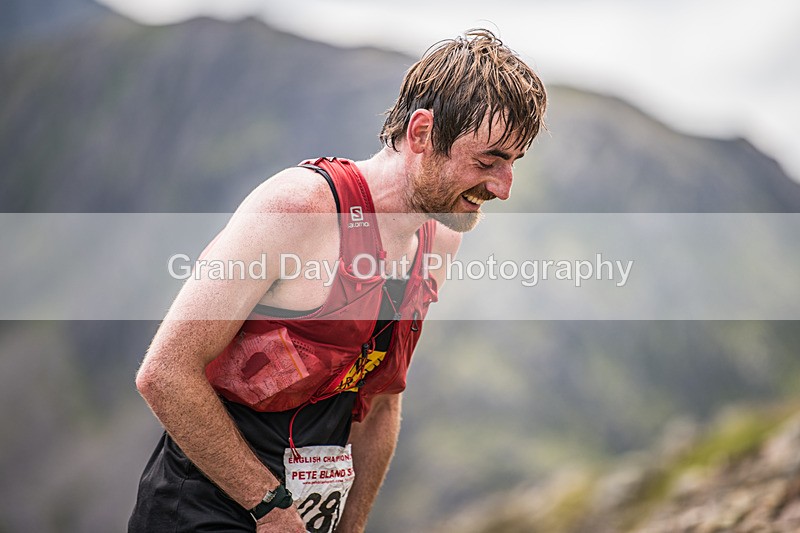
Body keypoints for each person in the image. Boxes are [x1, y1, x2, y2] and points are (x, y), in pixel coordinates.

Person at [129, 28, 546, 533]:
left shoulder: (440, 238)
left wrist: (350, 527)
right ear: (421, 134)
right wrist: (270, 507)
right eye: (488, 161)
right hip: (199, 512)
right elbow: (165, 373)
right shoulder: (298, 209)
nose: (503, 188)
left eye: (513, 163)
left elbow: (382, 401)